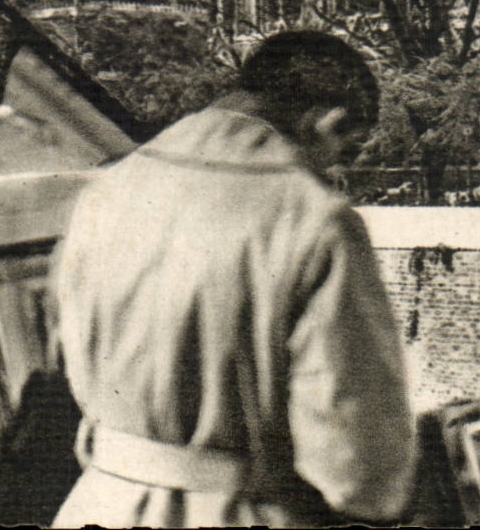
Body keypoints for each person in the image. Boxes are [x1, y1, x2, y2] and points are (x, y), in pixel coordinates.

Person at [51, 31, 416, 528]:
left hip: (100, 500)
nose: (334, 172)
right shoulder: (314, 219)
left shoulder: (109, 187)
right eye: (344, 152)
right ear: (328, 123)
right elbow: (355, 462)